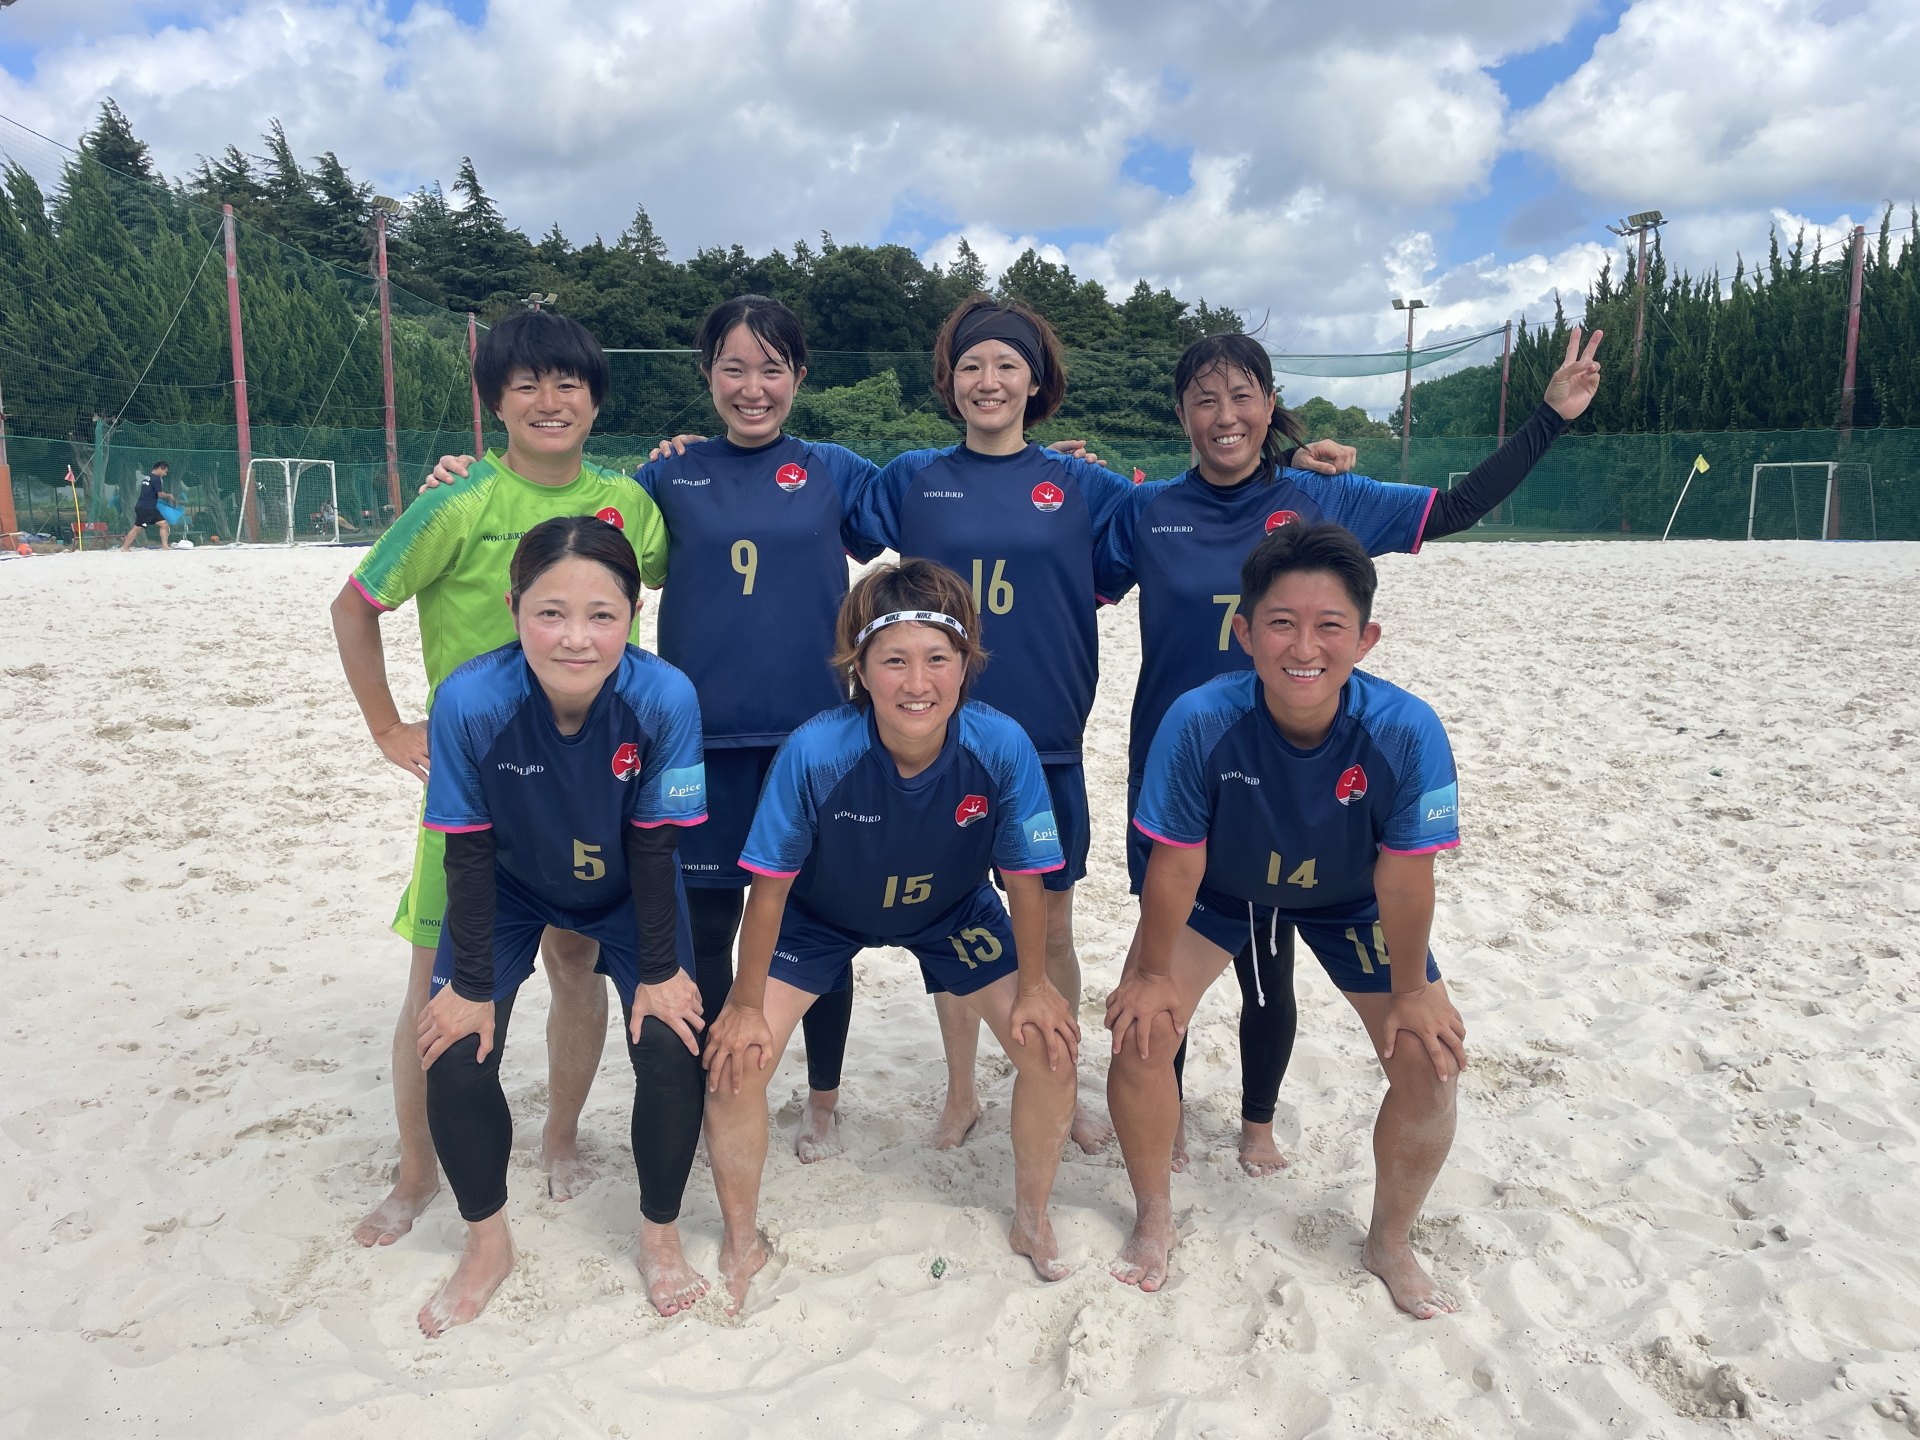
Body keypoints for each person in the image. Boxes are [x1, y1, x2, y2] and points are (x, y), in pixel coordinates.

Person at [845, 295, 1353, 1155]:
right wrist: (688, 449)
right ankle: (961, 1092)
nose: (988, 380)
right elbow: (816, 502)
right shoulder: (910, 477)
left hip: (1047, 741)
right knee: (950, 919)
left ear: (1035, 380)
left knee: (1052, 927)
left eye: (1007, 365)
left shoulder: (1090, 488)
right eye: (971, 365)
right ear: (949, 380)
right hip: (934, 738)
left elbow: (1207, 499)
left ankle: (1060, 1084)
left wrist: (1292, 455)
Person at [1106, 325, 1602, 1176]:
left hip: (1298, 765)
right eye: (1204, 400)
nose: (1225, 416)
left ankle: (1257, 1125)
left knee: (1269, 964)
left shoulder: (1322, 496)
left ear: (1270, 404)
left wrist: (1550, 418)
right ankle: (1170, 1123)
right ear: (1181, 413)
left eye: (1242, 396)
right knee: (1163, 963)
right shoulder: (1146, 510)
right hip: (1179, 770)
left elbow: (1453, 509)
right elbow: (1049, 567)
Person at [330, 309, 670, 1247]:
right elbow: (354, 606)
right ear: (495, 402)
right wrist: (387, 726)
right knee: (433, 988)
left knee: (576, 964)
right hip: (476, 788)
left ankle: (561, 1134)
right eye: (526, 385)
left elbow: (677, 563)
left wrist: (676, 452)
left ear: (596, 400)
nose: (549, 401)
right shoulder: (457, 501)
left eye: (568, 384)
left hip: (595, 782)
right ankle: (415, 1174)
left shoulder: (630, 503)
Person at [1106, 522, 1467, 1316]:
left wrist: (1412, 993)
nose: (1304, 647)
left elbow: (1406, 878)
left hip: (1351, 899)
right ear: (1244, 633)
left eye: (1329, 625)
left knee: (1429, 1063)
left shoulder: (1405, 729)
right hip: (1222, 890)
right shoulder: (1199, 719)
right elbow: (1177, 862)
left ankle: (1390, 1241)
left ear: (1365, 639)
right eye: (1281, 623)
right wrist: (1153, 975)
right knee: (1141, 1031)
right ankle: (1154, 1216)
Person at [702, 559, 1079, 1313]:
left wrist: (1036, 987)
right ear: (860, 668)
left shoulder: (1000, 744)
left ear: (966, 664)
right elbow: (768, 892)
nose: (918, 682)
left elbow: (1025, 877)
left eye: (938, 658)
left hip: (952, 912)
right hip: (822, 916)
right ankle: (742, 1239)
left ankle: (1032, 1218)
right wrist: (743, 1005)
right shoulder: (817, 751)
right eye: (894, 661)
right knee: (736, 1064)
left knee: (1051, 1050)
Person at [414, 515, 709, 1335]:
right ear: (513, 608)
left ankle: (659, 1237)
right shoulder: (471, 699)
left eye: (601, 615)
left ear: (633, 615)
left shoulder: (664, 696)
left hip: (628, 889)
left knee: (670, 1042)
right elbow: (467, 851)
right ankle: (487, 1245)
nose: (575, 638)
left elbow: (656, 845)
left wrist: (659, 972)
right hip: (510, 888)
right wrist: (473, 987)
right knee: (454, 1049)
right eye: (550, 613)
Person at [119, 461, 173, 550]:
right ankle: (165, 546)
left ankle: (125, 547)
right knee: (162, 525)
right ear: (160, 468)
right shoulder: (156, 479)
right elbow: (159, 494)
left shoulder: (147, 477)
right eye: (165, 471)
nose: (165, 474)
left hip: (142, 506)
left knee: (138, 528)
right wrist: (169, 495)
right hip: (148, 508)